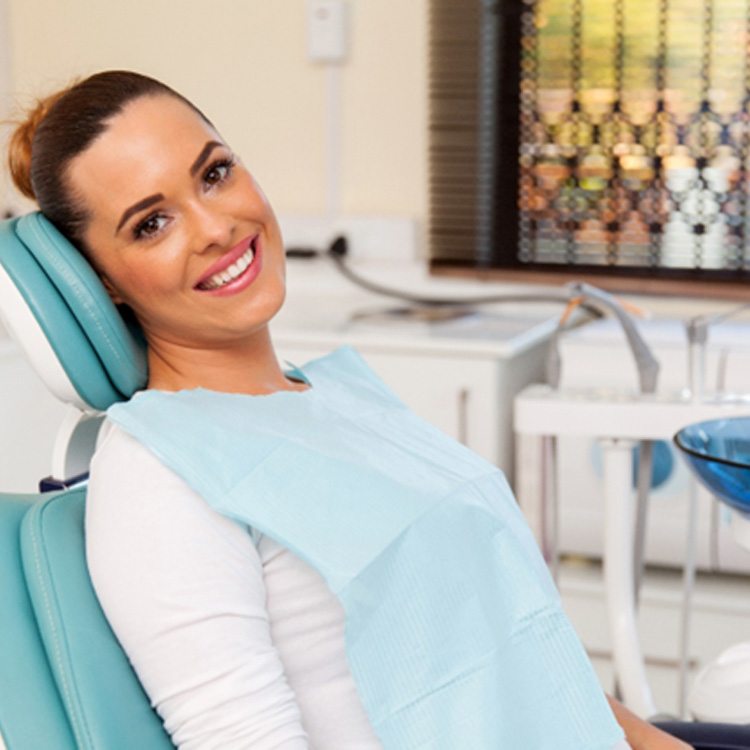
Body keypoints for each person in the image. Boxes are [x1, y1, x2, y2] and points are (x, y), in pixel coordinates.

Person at [7, 70, 694, 749]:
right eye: (152, 223)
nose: (216, 227)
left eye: (214, 174)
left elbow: (530, 653)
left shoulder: (338, 395)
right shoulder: (159, 473)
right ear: (102, 284)